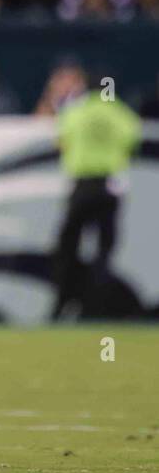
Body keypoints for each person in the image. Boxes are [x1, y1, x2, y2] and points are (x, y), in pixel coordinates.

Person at [52, 70, 143, 318]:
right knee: (104, 251)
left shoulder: (75, 111)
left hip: (81, 186)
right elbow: (132, 141)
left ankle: (62, 305)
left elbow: (61, 143)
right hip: (110, 187)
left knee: (67, 248)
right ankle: (95, 309)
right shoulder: (120, 113)